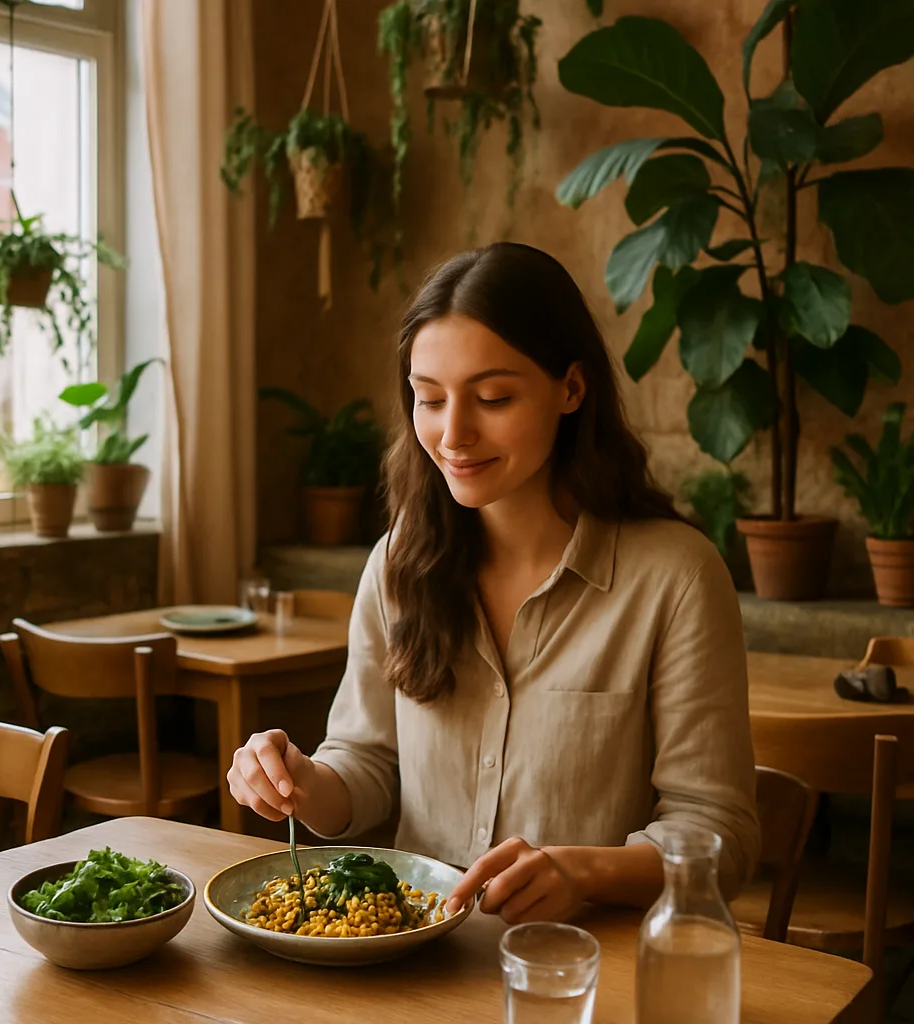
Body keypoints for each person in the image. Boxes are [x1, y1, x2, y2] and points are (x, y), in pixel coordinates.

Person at [229, 242, 759, 925]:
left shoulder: (676, 577)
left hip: (589, 965)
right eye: (429, 398)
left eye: (493, 397)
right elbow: (365, 766)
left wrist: (585, 869)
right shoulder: (398, 565)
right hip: (419, 964)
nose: (454, 434)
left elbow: (721, 834)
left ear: (571, 388)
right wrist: (298, 782)